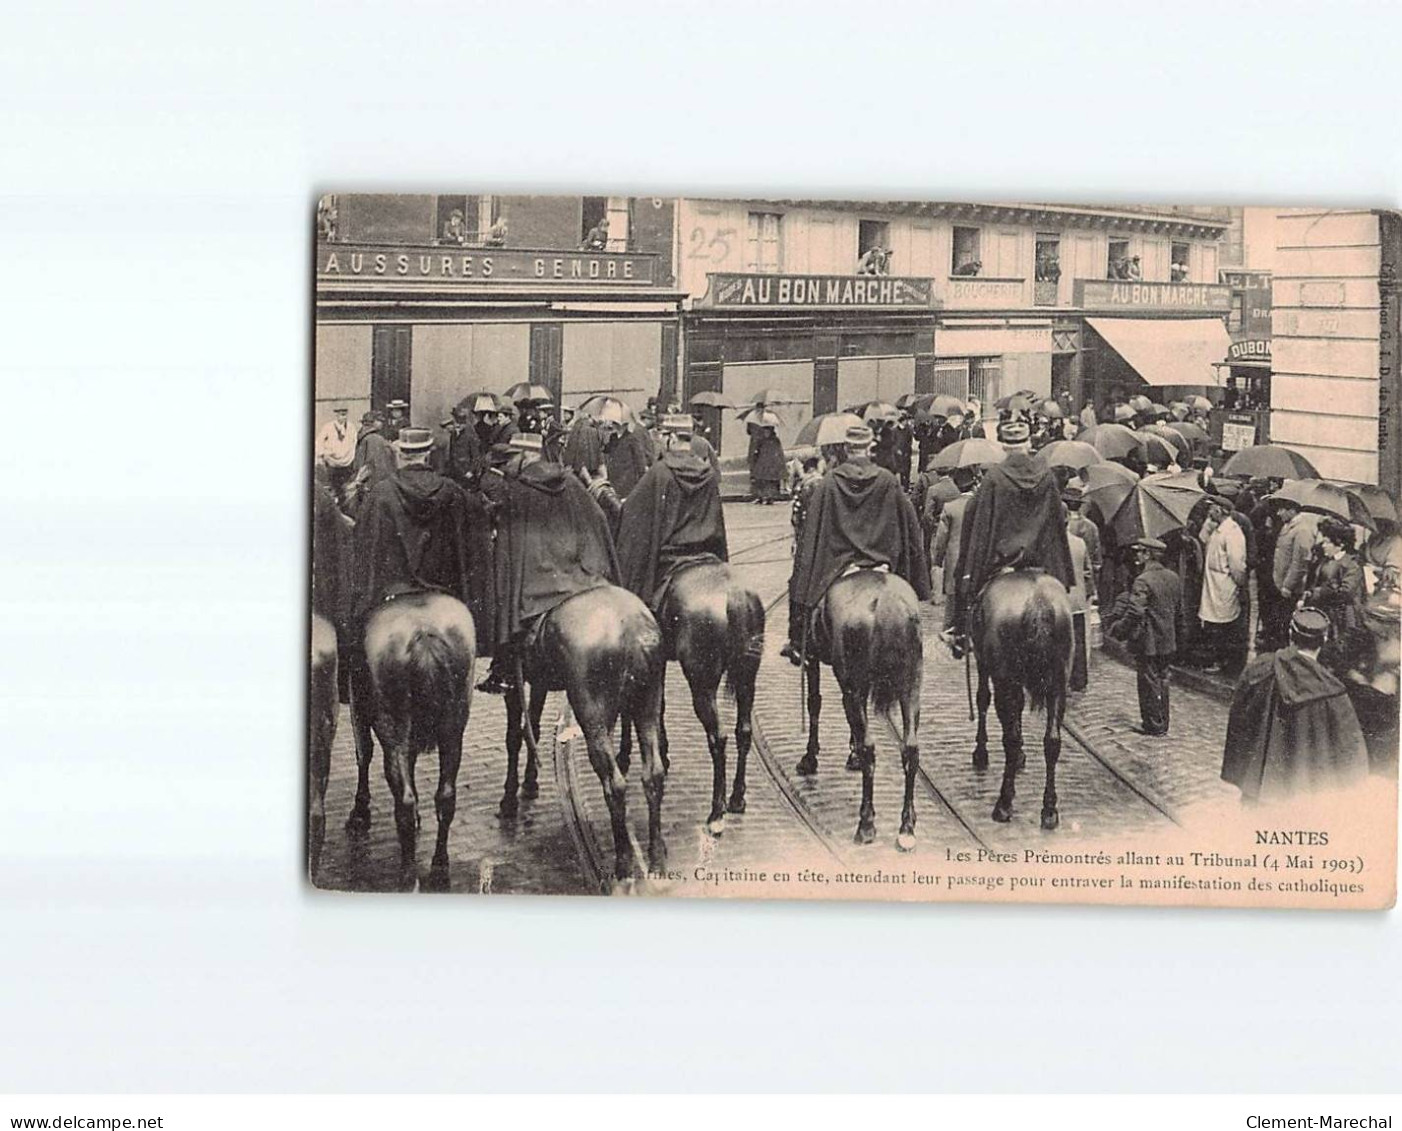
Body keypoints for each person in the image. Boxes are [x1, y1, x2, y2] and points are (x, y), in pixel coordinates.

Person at [477, 430, 620, 695]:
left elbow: (509, 549)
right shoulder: (570, 481)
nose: (507, 466)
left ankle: (504, 671)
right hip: (580, 575)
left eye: (510, 459)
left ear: (523, 456)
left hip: (539, 583)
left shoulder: (517, 490)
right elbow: (598, 518)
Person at [780, 424, 929, 665]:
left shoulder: (829, 483)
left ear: (846, 449)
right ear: (870, 447)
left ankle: (799, 643)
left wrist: (804, 571)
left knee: (798, 586)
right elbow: (908, 525)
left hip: (840, 567)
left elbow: (813, 532)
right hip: (882, 565)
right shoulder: (888, 481)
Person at [350, 426, 495, 649]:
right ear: (427, 454)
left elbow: (364, 548)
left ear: (399, 455)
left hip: (394, 594)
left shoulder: (381, 494)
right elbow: (476, 534)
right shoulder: (452, 491)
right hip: (443, 592)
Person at [945, 418, 1076, 656]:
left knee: (971, 602)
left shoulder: (994, 477)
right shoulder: (1047, 476)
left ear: (1004, 446)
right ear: (1028, 444)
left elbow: (980, 527)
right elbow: (1056, 522)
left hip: (1003, 565)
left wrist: (970, 574)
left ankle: (960, 634)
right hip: (1041, 566)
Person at [1221, 608, 1369, 804]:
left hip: (1259, 789)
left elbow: (1239, 718)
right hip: (1304, 798)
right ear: (1324, 640)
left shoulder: (1261, 668)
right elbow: (1351, 756)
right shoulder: (1333, 692)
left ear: (1291, 635)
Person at [616, 415, 728, 616]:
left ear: (672, 438)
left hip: (671, 560)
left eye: (662, 436)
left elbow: (634, 514)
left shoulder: (660, 472)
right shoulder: (708, 474)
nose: (660, 440)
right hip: (707, 555)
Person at [1104, 536, 1181, 735]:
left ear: (1148, 554)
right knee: (1163, 679)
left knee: (1148, 681)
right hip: (1168, 638)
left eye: (1140, 552)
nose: (1137, 555)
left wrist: (1120, 629)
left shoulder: (1143, 580)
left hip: (1149, 640)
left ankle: (1153, 725)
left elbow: (1135, 611)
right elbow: (1179, 610)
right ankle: (1162, 721)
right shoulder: (1173, 577)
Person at [1301, 517, 1365, 661]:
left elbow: (1346, 593)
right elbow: (1316, 581)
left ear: (1340, 544)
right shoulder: (1324, 559)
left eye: (1327, 542)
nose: (1323, 545)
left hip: (1341, 619)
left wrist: (1319, 592)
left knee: (1337, 654)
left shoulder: (1351, 564)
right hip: (1323, 614)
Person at [1200, 501, 1249, 677]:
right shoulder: (1217, 528)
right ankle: (1215, 658)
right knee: (1213, 622)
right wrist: (1208, 523)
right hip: (1213, 584)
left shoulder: (1233, 533)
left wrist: (1239, 584)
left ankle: (1221, 661)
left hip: (1224, 585)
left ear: (1221, 510)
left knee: (1222, 624)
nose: (1209, 511)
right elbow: (1203, 539)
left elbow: (1237, 565)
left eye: (1212, 508)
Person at [931, 466, 977, 630]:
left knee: (952, 598)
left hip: (955, 558)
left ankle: (951, 630)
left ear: (957, 486)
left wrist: (937, 560)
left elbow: (941, 539)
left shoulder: (950, 507)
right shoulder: (981, 505)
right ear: (974, 483)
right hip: (976, 559)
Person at [1272, 502, 1323, 615]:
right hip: (1281, 581)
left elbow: (1300, 562)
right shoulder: (1288, 525)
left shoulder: (1302, 530)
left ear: (1292, 511)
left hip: (1290, 588)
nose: (1278, 513)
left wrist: (1288, 586)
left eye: (1282, 510)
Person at [348, 410, 398, 514]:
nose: (382, 423)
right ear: (373, 422)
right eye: (380, 421)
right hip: (374, 485)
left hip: (364, 483)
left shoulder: (363, 436)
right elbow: (376, 466)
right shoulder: (375, 439)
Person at [1063, 486, 1102, 601]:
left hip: (1064, 581)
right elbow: (1097, 563)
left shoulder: (1062, 525)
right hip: (1084, 582)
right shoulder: (1092, 527)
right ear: (1080, 504)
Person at [315, 405, 358, 498]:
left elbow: (355, 441)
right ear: (337, 415)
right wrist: (323, 454)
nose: (343, 417)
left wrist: (351, 453)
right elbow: (319, 441)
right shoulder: (328, 426)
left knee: (346, 483)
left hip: (347, 460)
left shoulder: (351, 427)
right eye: (341, 415)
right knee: (334, 484)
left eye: (345, 415)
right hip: (332, 461)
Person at [749, 421, 785, 505]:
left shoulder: (775, 440)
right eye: (765, 431)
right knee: (760, 480)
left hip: (771, 464)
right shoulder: (761, 440)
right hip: (762, 463)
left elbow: (779, 452)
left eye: (768, 431)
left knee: (771, 482)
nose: (766, 433)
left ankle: (770, 497)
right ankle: (760, 496)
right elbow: (757, 450)